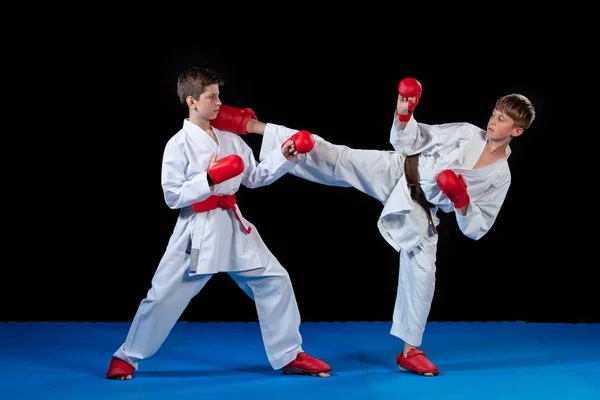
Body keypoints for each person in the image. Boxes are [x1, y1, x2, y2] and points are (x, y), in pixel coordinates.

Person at [210, 78, 536, 376]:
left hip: (422, 207)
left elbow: (477, 226)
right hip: (399, 170)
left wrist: (461, 198)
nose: (493, 121)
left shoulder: (499, 177)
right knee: (339, 157)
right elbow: (411, 141)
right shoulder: (466, 131)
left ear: (516, 131)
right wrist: (405, 113)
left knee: (422, 275)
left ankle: (411, 352)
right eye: (494, 113)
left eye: (502, 119)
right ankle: (248, 123)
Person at [105, 66, 332, 380]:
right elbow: (172, 196)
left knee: (275, 280)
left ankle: (290, 354)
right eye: (212, 97)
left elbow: (255, 177)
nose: (218, 103)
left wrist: (284, 154)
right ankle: (127, 357)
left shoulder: (229, 140)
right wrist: (209, 178)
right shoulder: (178, 144)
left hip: (233, 224)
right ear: (192, 101)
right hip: (198, 229)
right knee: (163, 296)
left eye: (219, 96)